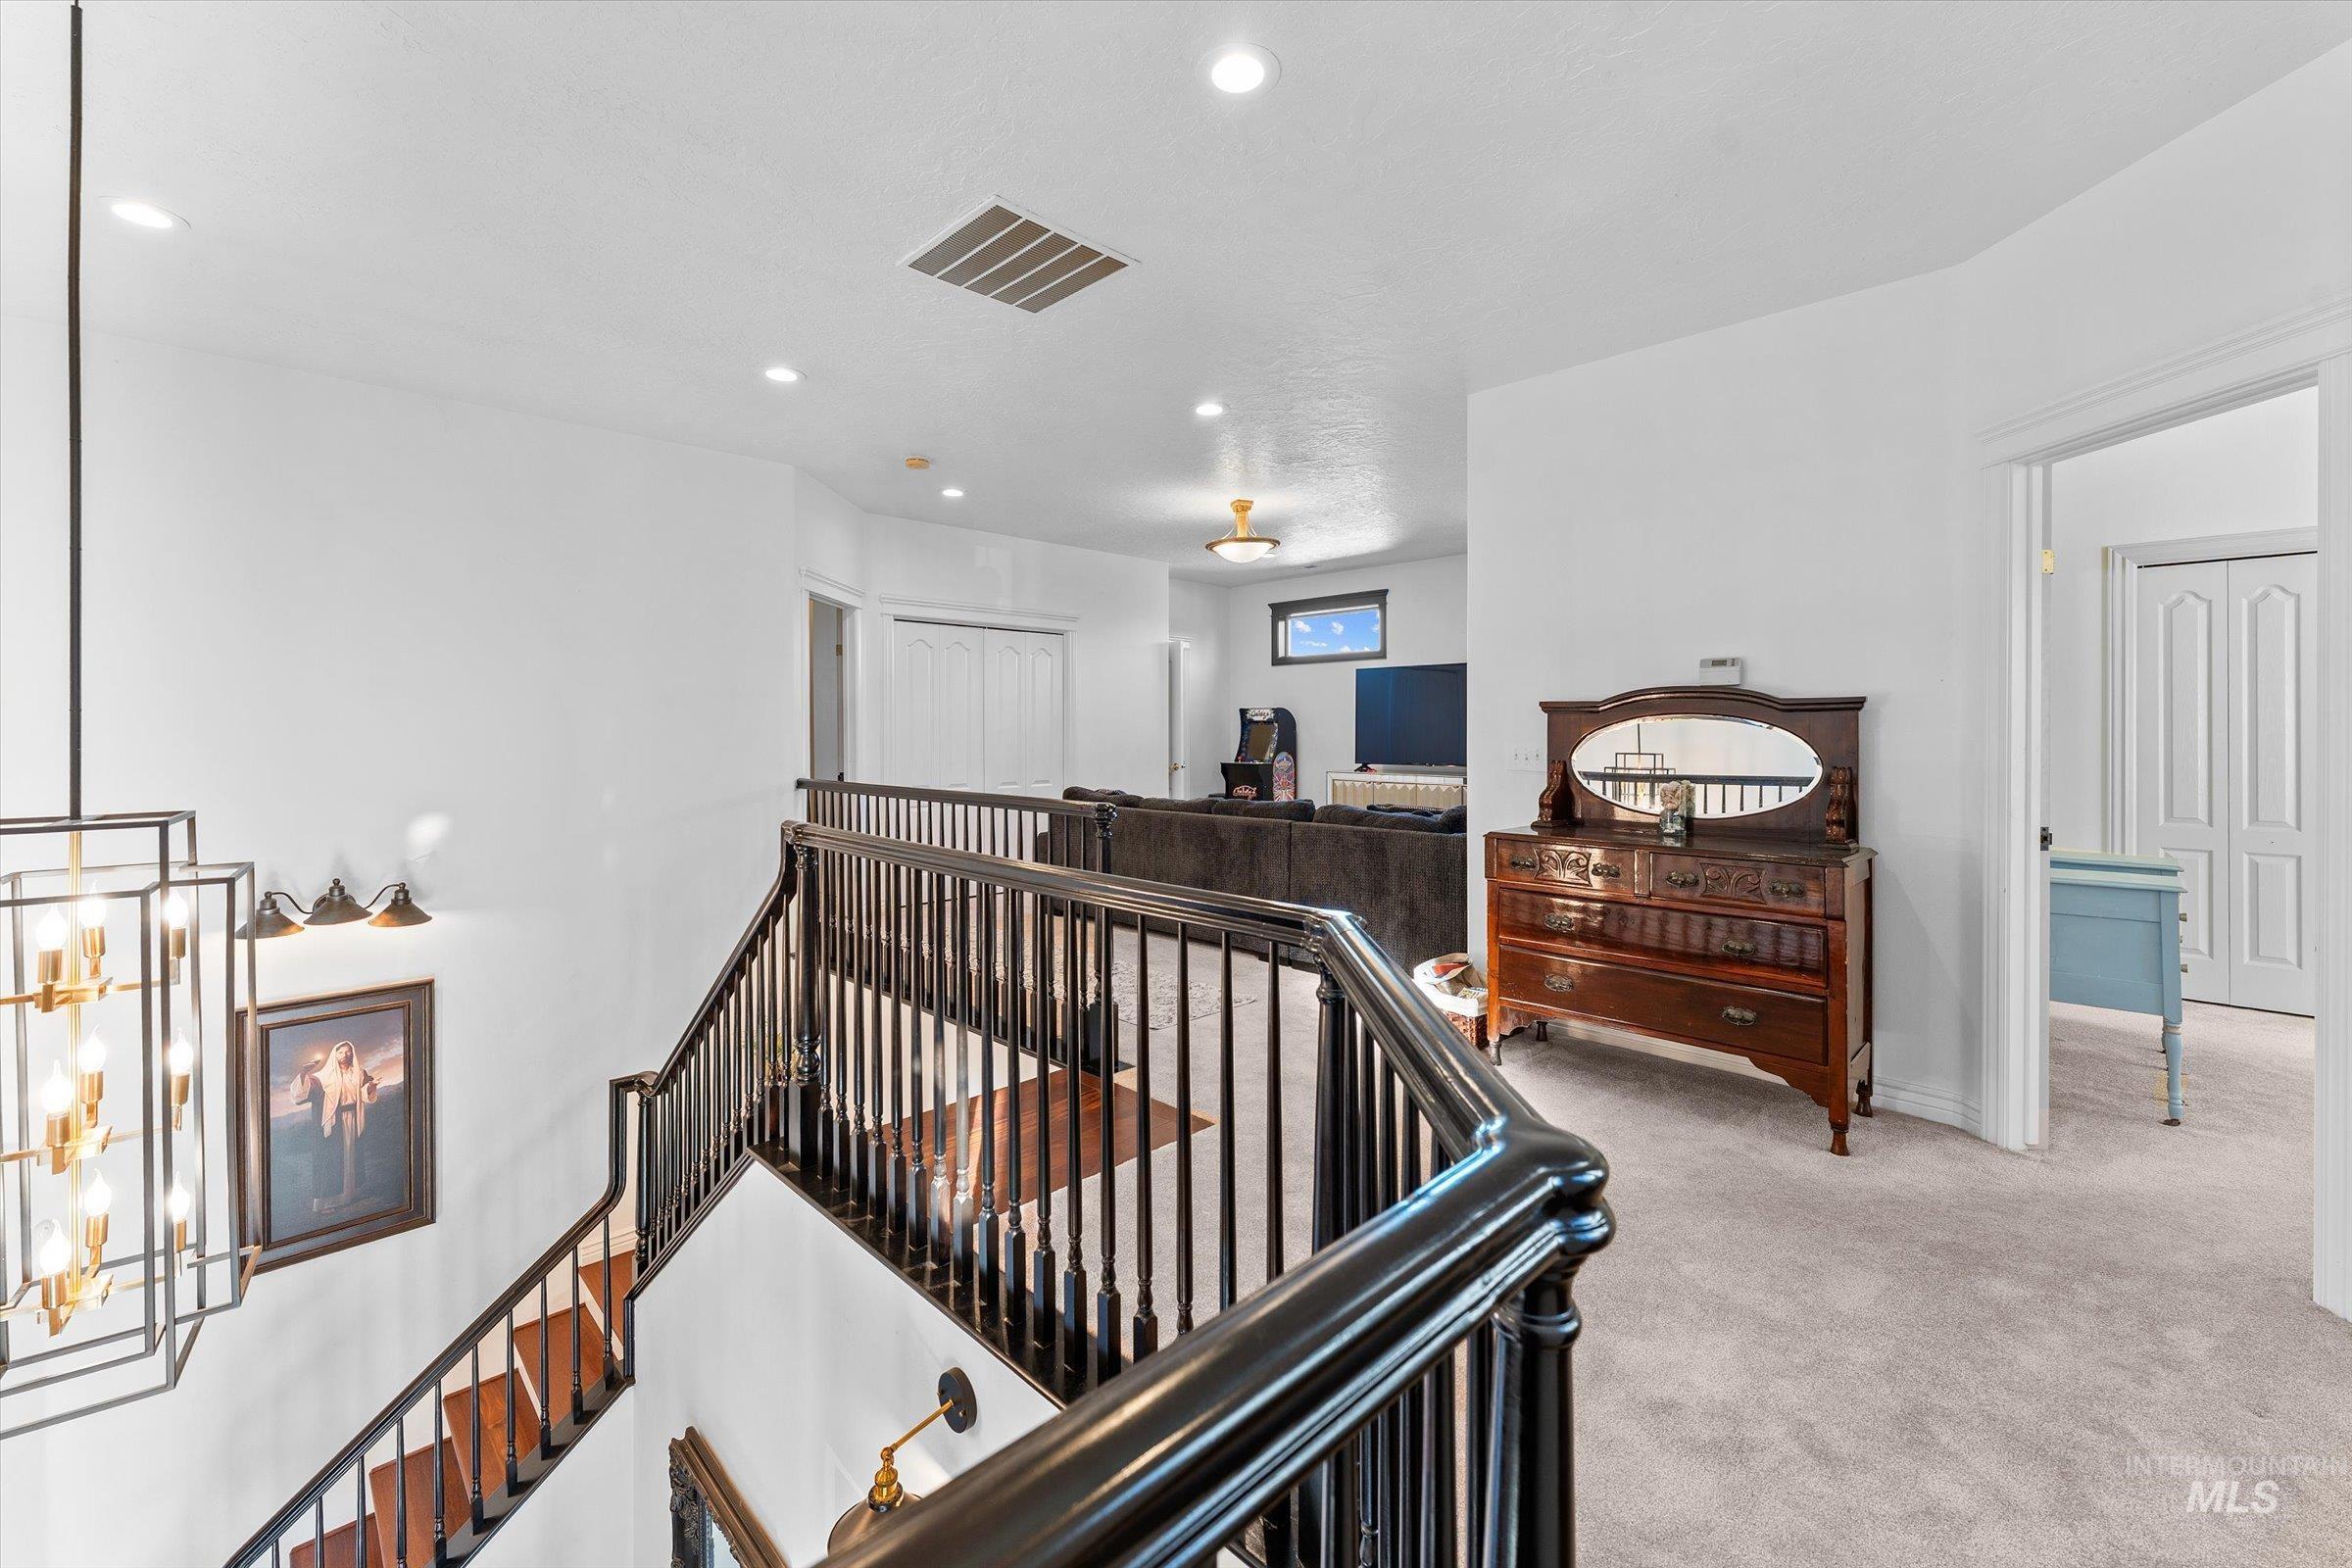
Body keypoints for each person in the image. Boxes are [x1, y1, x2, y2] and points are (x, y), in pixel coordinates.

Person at [291, 1040, 379, 1213]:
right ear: (334, 1054)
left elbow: (363, 1092)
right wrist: (303, 1073)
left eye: (348, 1052)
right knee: (329, 1159)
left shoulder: (358, 1073)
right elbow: (302, 1095)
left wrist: (371, 1087)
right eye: (340, 1052)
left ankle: (348, 1195)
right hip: (333, 1121)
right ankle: (324, 1204)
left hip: (352, 1118)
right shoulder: (323, 1077)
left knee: (350, 1155)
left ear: (352, 1053)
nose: (345, 1055)